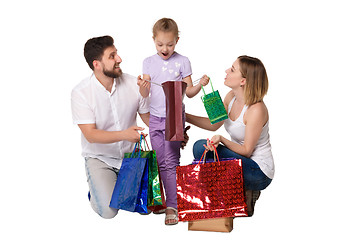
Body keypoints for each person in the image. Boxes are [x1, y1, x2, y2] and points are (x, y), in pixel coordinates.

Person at [137, 18, 209, 225]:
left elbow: (190, 92)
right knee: (160, 162)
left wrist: (200, 84)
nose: (165, 49)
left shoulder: (183, 61)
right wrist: (142, 85)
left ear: (177, 40)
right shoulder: (148, 62)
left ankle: (173, 206)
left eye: (169, 44)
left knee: (171, 162)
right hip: (155, 118)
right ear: (154, 40)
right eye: (160, 44)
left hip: (175, 117)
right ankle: (164, 201)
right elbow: (145, 92)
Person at [71, 35, 150, 219]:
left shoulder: (133, 83)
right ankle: (99, 188)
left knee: (145, 206)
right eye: (112, 56)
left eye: (117, 54)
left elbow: (147, 118)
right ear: (97, 64)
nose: (119, 59)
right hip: (100, 159)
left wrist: (170, 133)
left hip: (131, 158)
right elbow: (90, 135)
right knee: (109, 211)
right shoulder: (81, 93)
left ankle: (114, 187)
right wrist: (124, 135)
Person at [186, 55, 275, 216]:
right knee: (200, 149)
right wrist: (184, 116)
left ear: (243, 81)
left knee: (202, 148)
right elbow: (214, 124)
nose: (227, 71)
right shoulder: (230, 97)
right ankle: (236, 193)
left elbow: (247, 150)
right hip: (238, 161)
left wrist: (221, 139)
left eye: (233, 70)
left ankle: (247, 188)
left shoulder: (256, 110)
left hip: (258, 171)